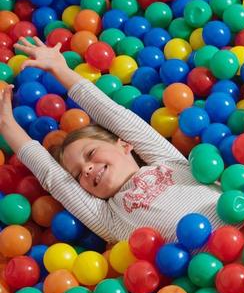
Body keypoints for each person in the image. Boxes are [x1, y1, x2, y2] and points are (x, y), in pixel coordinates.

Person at [0, 37, 226, 243]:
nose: (86, 169)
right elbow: (54, 178)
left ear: (125, 144)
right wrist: (6, 125)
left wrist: (59, 69)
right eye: (77, 175)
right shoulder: (108, 216)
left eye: (90, 154)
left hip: (242, 225)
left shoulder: (167, 161)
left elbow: (114, 114)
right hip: (213, 270)